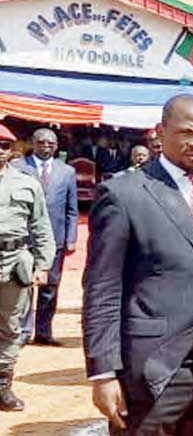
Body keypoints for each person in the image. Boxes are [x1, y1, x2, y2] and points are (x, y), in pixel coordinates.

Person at [82, 95, 193, 433]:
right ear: (161, 133)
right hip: (152, 368)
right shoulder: (124, 195)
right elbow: (102, 289)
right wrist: (103, 372)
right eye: (186, 132)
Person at [0, 124, 55, 412]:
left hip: (12, 264)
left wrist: (43, 265)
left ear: (12, 151)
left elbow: (42, 228)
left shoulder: (26, 184)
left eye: (4, 145)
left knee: (10, 326)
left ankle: (2, 386)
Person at [13, 128, 78, 346]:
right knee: (23, 285)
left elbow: (72, 209)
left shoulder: (67, 171)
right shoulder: (18, 167)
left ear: (57, 146)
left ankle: (43, 331)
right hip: (24, 238)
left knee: (50, 287)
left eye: (51, 143)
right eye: (42, 143)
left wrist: (71, 237)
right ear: (33, 143)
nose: (46, 147)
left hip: (56, 239)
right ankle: (23, 331)